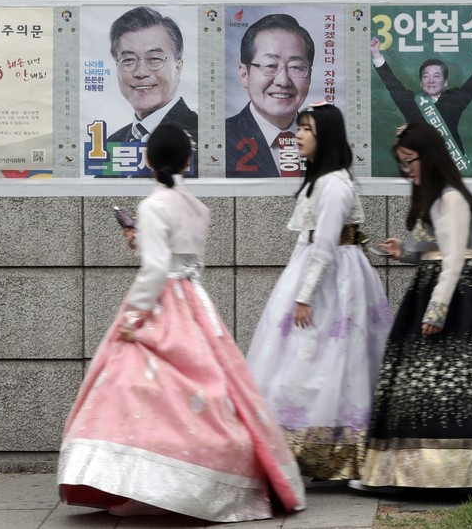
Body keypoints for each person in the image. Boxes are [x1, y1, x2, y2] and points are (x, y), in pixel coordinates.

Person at [58, 123, 305, 522]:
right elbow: (180, 256)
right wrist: (140, 240)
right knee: (210, 390)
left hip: (161, 304)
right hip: (195, 304)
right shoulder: (195, 206)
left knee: (129, 387)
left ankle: (137, 478)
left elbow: (156, 268)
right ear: (188, 162)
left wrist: (135, 316)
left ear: (147, 160)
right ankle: (206, 474)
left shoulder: (154, 205)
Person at [352, 122, 472, 491]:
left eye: (410, 162)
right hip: (441, 291)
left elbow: (453, 261)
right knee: (427, 383)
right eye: (403, 164)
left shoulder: (450, 197)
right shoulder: (438, 197)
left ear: (429, 156)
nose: (408, 171)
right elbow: (436, 253)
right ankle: (423, 472)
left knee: (451, 381)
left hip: (457, 300)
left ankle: (461, 473)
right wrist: (402, 251)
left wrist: (436, 312)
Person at [245, 103, 393, 483]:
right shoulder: (322, 180)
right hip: (319, 275)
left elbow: (326, 245)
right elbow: (310, 242)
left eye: (306, 129)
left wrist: (304, 295)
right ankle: (303, 447)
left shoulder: (333, 184)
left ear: (324, 136)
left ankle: (333, 451)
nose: (299, 136)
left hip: (334, 283)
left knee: (331, 361)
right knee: (313, 360)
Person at [370, 35, 472, 161]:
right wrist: (376, 53)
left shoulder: (455, 100)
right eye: (426, 76)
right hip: (420, 163)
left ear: (445, 82)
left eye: (437, 76)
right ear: (421, 82)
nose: (431, 80)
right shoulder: (410, 102)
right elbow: (392, 83)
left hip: (452, 163)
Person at [226, 14, 314, 178]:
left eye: (295, 67)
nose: (283, 81)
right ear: (244, 74)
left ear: (309, 75)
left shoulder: (328, 141)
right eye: (270, 66)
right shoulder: (221, 139)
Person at [107, 7, 198, 146]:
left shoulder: (205, 137)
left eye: (154, 58)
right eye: (128, 60)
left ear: (178, 67)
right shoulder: (112, 143)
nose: (141, 72)